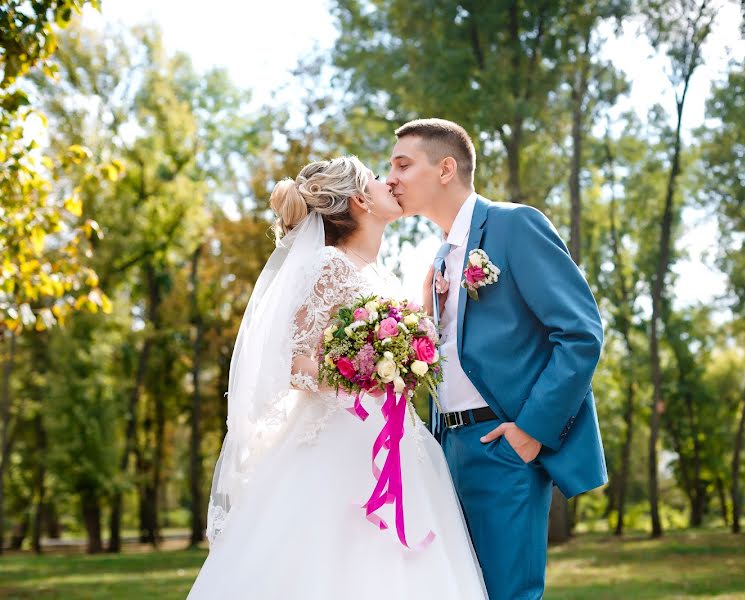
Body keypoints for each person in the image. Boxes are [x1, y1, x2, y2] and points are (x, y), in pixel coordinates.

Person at [188, 156, 486, 599]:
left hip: (396, 441)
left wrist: (422, 310)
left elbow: (395, 351)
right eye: (376, 178)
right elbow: (292, 361)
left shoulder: (378, 273)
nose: (389, 182)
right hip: (337, 445)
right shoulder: (328, 265)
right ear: (360, 200)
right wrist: (354, 374)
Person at [386, 118, 608, 600]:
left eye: (404, 165)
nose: (391, 179)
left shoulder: (513, 225)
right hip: (446, 450)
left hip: (502, 445)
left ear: (446, 168)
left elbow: (581, 333)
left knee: (507, 594)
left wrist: (530, 432)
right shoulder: (441, 258)